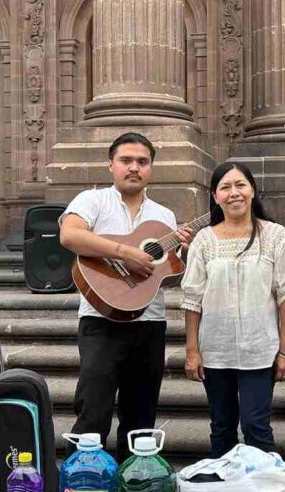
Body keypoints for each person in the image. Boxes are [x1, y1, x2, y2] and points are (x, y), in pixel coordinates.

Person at [59, 132, 193, 461]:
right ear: (111, 165)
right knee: (93, 408)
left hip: (149, 322)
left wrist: (182, 255)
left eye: (142, 162)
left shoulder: (164, 216)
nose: (134, 168)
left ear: (151, 168)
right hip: (100, 319)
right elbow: (70, 235)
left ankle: (134, 485)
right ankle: (84, 485)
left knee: (141, 414)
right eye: (126, 160)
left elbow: (165, 276)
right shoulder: (92, 201)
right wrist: (124, 252)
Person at [181, 162, 285, 456]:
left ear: (252, 190)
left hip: (260, 350)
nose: (234, 193)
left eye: (240, 185)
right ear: (215, 196)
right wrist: (192, 351)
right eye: (225, 187)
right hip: (215, 350)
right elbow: (193, 299)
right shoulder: (205, 240)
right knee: (221, 426)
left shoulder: (274, 236)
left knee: (256, 425)